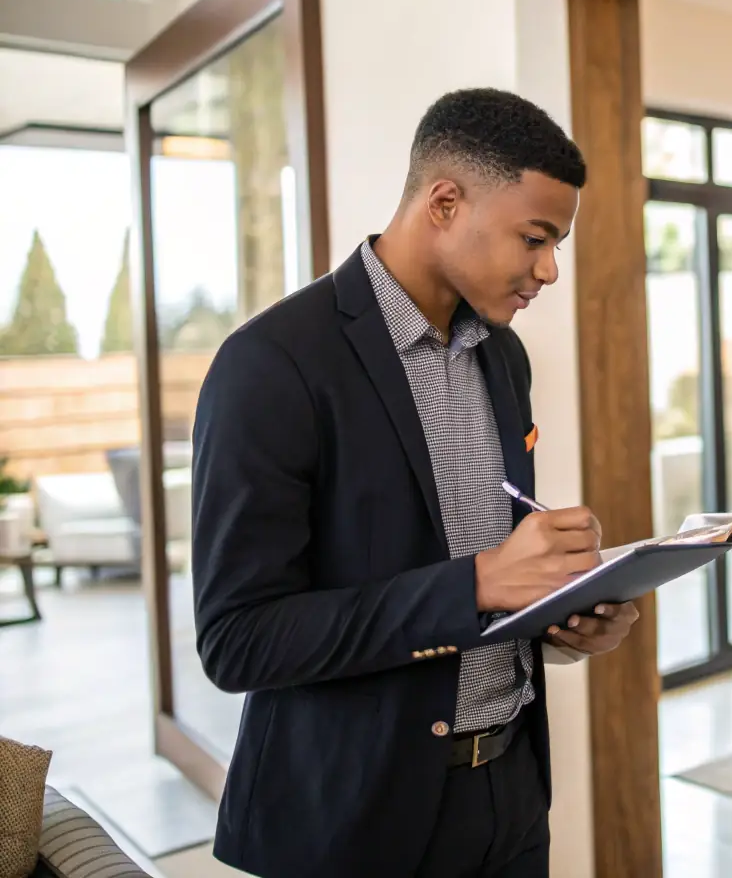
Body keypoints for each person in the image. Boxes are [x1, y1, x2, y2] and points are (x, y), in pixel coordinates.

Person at [190, 88, 640, 878]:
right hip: (352, 822)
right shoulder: (271, 365)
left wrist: (559, 618)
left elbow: (482, 573)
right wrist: (477, 585)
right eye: (535, 239)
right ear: (444, 202)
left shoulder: (503, 357)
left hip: (508, 799)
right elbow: (238, 642)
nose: (550, 270)